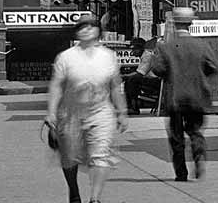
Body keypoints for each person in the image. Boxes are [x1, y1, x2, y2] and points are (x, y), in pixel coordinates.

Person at [45, 15, 128, 203]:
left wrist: (122, 112)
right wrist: (51, 112)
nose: (87, 29)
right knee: (69, 156)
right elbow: (56, 85)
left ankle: (95, 198)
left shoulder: (108, 56)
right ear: (77, 31)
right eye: (82, 26)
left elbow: (115, 85)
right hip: (70, 112)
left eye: (91, 26)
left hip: (101, 112)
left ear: (99, 30)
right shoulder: (66, 57)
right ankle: (74, 193)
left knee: (100, 155)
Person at [153, 7, 218, 182]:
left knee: (176, 137)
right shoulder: (202, 45)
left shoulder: (166, 46)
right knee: (195, 130)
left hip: (175, 97)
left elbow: (158, 69)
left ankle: (181, 173)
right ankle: (199, 157)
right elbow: (213, 67)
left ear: (174, 23)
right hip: (197, 96)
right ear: (191, 23)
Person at [122, 38, 161, 115]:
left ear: (139, 49)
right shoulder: (144, 56)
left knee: (133, 80)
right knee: (129, 80)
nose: (132, 52)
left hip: (155, 82)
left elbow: (140, 73)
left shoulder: (147, 56)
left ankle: (134, 108)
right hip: (149, 80)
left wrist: (124, 75)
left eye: (134, 49)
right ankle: (130, 106)